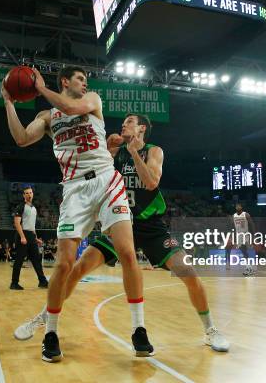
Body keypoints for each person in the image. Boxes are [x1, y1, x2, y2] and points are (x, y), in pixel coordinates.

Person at [14, 113, 230, 351]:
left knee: (187, 271)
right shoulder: (112, 151)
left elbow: (151, 183)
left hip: (149, 226)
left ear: (142, 128)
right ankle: (45, 317)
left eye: (129, 122)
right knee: (77, 270)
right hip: (117, 221)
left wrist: (134, 151)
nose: (123, 124)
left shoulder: (154, 151)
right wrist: (109, 147)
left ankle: (210, 329)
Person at [2, 66, 153, 362]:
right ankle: (51, 333)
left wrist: (40, 88)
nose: (85, 83)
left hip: (107, 180)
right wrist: (8, 101)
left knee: (127, 252)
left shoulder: (93, 99)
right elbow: (20, 138)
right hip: (74, 190)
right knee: (64, 265)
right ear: (65, 81)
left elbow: (71, 106)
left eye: (85, 79)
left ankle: (139, 329)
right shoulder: (47, 117)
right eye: (80, 79)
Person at [10, 186, 48, 290]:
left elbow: (32, 226)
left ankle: (43, 282)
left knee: (36, 260)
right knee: (19, 260)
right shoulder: (20, 207)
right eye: (26, 193)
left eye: (30, 193)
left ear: (33, 194)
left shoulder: (34, 208)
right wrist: (22, 237)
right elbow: (17, 223)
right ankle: (14, 283)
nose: (29, 194)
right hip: (22, 235)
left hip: (31, 236)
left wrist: (36, 238)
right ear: (23, 195)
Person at [226, 203, 257, 276]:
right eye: (236, 206)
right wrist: (232, 236)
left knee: (247, 249)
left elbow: (252, 224)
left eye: (239, 206)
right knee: (243, 251)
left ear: (241, 207)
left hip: (246, 234)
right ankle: (249, 267)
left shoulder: (246, 214)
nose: (237, 207)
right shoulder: (234, 216)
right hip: (239, 235)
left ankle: (250, 268)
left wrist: (254, 234)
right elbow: (233, 227)